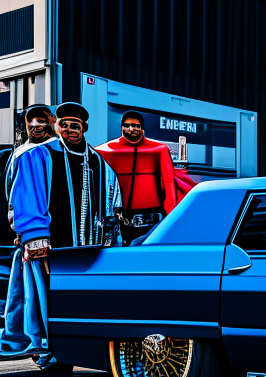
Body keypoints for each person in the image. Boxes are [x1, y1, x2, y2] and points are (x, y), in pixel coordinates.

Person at [0, 102, 122, 360]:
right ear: (57, 126)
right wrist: (34, 236)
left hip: (88, 249)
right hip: (48, 247)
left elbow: (113, 202)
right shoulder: (37, 155)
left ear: (84, 128)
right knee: (40, 300)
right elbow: (25, 196)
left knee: (77, 300)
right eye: (64, 125)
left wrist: (111, 238)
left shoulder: (99, 162)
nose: (69, 130)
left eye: (74, 125)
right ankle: (46, 354)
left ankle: (74, 349)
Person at [96, 111, 193, 244]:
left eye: (136, 125)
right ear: (122, 127)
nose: (132, 129)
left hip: (153, 221)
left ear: (142, 128)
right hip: (119, 224)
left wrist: (171, 219)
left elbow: (168, 185)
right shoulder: (104, 151)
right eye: (127, 125)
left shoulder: (158, 149)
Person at [0, 104, 57, 245]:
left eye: (41, 121)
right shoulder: (18, 152)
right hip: (18, 230)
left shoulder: (57, 151)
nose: (34, 125)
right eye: (30, 121)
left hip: (46, 231)